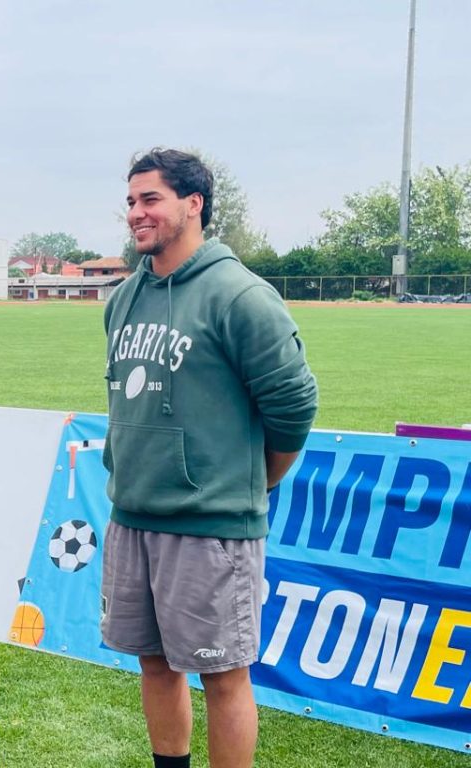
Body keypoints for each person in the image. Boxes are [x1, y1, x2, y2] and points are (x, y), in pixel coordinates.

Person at [100, 149, 318, 768]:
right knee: (153, 660)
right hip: (134, 514)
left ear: (193, 204)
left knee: (223, 675)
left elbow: (294, 404)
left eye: (151, 199)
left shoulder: (240, 295)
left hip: (211, 525)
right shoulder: (122, 300)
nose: (137, 213)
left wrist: (255, 479)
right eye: (132, 200)